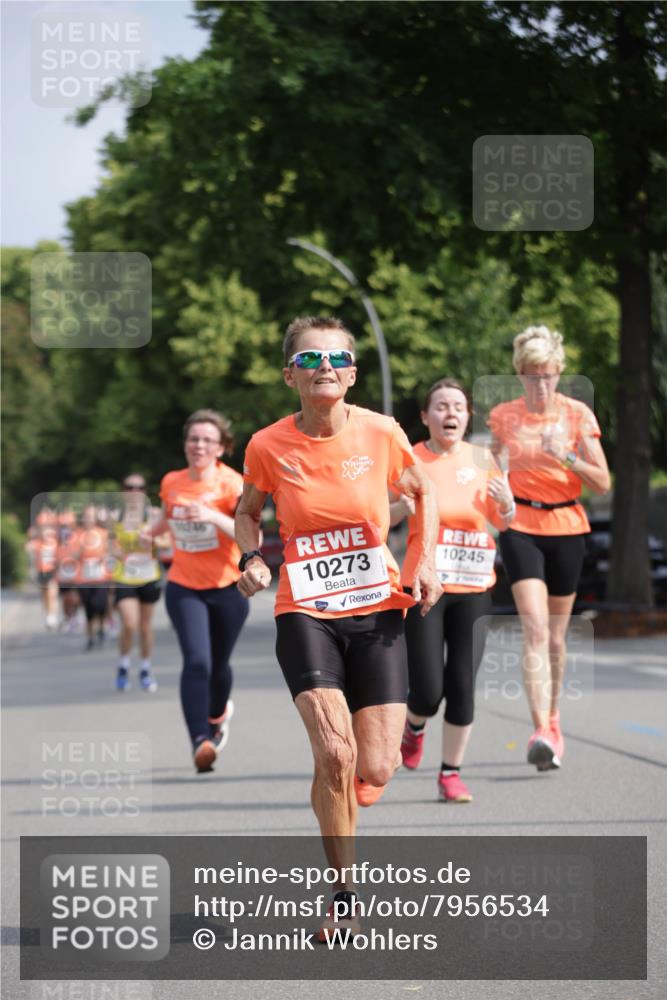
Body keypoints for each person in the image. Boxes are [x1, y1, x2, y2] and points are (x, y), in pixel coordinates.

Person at [235, 316, 439, 938]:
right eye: (310, 359)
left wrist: (420, 560)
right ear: (289, 374)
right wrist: (248, 558)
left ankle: (349, 789)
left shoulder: (382, 433)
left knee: (373, 768)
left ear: (352, 373)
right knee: (334, 751)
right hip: (304, 609)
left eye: (337, 358)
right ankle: (343, 892)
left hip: (377, 607)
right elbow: (247, 512)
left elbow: (421, 494)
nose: (325, 366)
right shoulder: (267, 444)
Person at [488, 325, 610, 771]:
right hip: (520, 524)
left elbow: (602, 481)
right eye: (531, 374)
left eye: (547, 374)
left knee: (557, 636)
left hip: (567, 524)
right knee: (536, 629)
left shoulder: (578, 415)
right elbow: (492, 470)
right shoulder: (503, 416)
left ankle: (554, 718)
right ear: (520, 375)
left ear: (559, 372)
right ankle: (540, 730)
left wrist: (567, 456)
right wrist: (491, 505)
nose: (540, 383)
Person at [391, 379, 515, 802]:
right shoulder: (410, 459)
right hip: (424, 585)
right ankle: (414, 725)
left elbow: (503, 523)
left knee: (462, 685)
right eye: (441, 406)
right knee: (427, 689)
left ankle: (450, 774)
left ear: (467, 417)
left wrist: (509, 504)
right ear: (426, 417)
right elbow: (383, 518)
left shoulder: (484, 460)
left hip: (475, 586)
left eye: (459, 407)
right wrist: (398, 508)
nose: (451, 413)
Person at [150, 410, 249, 772]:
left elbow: (245, 532)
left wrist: (212, 517)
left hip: (227, 587)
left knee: (218, 664)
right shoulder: (172, 481)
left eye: (208, 440)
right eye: (194, 439)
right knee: (197, 662)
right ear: (186, 444)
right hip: (183, 585)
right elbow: (168, 514)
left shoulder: (233, 484)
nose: (199, 446)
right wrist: (150, 533)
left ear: (221, 447)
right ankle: (199, 741)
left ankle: (216, 717)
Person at [111, 476, 162, 692]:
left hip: (149, 577)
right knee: (130, 623)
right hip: (124, 577)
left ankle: (145, 668)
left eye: (139, 487)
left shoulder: (154, 515)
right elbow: (107, 544)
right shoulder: (115, 516)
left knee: (144, 626)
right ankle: (123, 665)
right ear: (123, 491)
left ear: (145, 491)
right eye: (129, 487)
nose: (134, 491)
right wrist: (116, 551)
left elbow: (168, 541)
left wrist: (153, 541)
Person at [77, 503, 110, 651]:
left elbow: (111, 552)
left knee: (100, 605)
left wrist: (104, 557)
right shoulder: (77, 535)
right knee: (88, 608)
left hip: (101, 576)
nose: (89, 519)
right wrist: (79, 551)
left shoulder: (103, 533)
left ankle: (102, 627)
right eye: (86, 516)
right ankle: (90, 637)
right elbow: (70, 555)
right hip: (84, 576)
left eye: (91, 516)